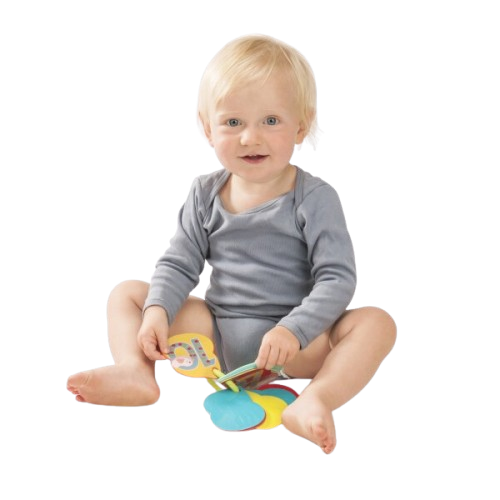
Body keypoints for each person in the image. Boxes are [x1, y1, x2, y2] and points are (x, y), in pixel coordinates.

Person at [66, 33, 397, 454]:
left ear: (301, 124)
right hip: (216, 336)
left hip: (295, 345)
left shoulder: (315, 197)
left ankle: (316, 399)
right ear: (206, 127)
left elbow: (337, 278)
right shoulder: (204, 192)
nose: (250, 138)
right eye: (233, 122)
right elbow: (180, 262)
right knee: (128, 294)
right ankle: (135, 371)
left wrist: (294, 329)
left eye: (270, 121)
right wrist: (158, 312)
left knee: (377, 323)